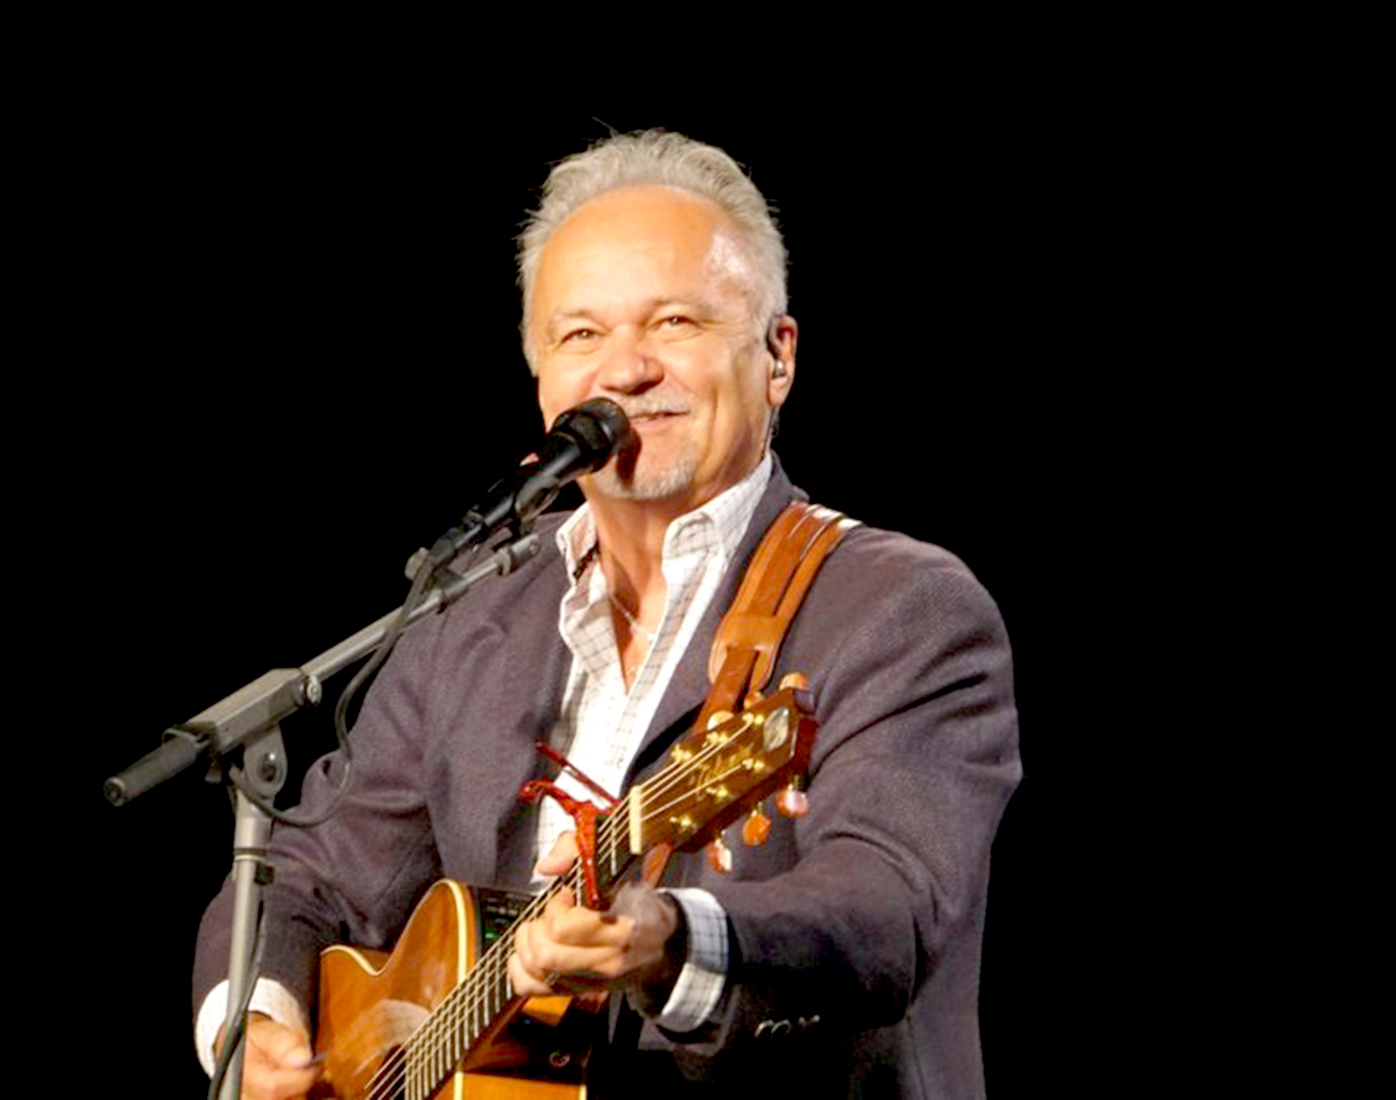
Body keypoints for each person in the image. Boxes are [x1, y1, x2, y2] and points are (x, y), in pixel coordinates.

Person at [193, 129, 1021, 1099]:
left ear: (777, 357)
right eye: (580, 335)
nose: (624, 372)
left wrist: (674, 938)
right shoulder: (474, 610)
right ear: (542, 378)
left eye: (673, 321)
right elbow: (310, 869)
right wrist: (257, 1014)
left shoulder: (900, 607)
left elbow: (889, 908)